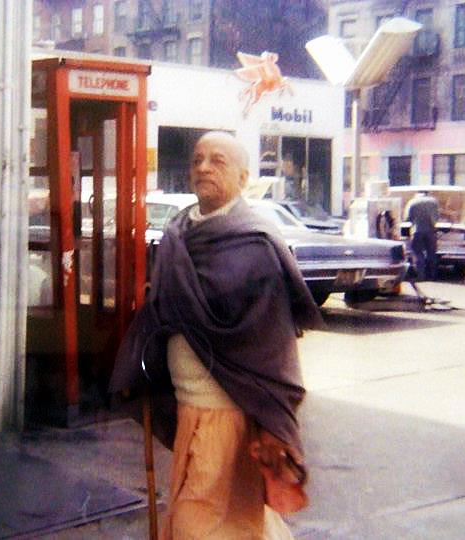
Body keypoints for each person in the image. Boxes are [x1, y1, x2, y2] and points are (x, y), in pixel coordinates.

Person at [109, 131, 325, 539]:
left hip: (227, 414)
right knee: (236, 518)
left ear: (243, 179)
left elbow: (273, 347)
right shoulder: (178, 232)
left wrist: (270, 419)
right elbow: (164, 313)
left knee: (199, 522)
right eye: (197, 159)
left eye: (217, 161)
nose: (203, 167)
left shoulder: (256, 244)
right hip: (188, 407)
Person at [403, 191, 439, 281]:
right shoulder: (433, 202)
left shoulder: (413, 202)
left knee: (418, 253)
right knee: (431, 254)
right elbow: (437, 216)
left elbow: (407, 218)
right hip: (431, 231)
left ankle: (421, 276)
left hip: (417, 231)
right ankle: (432, 276)